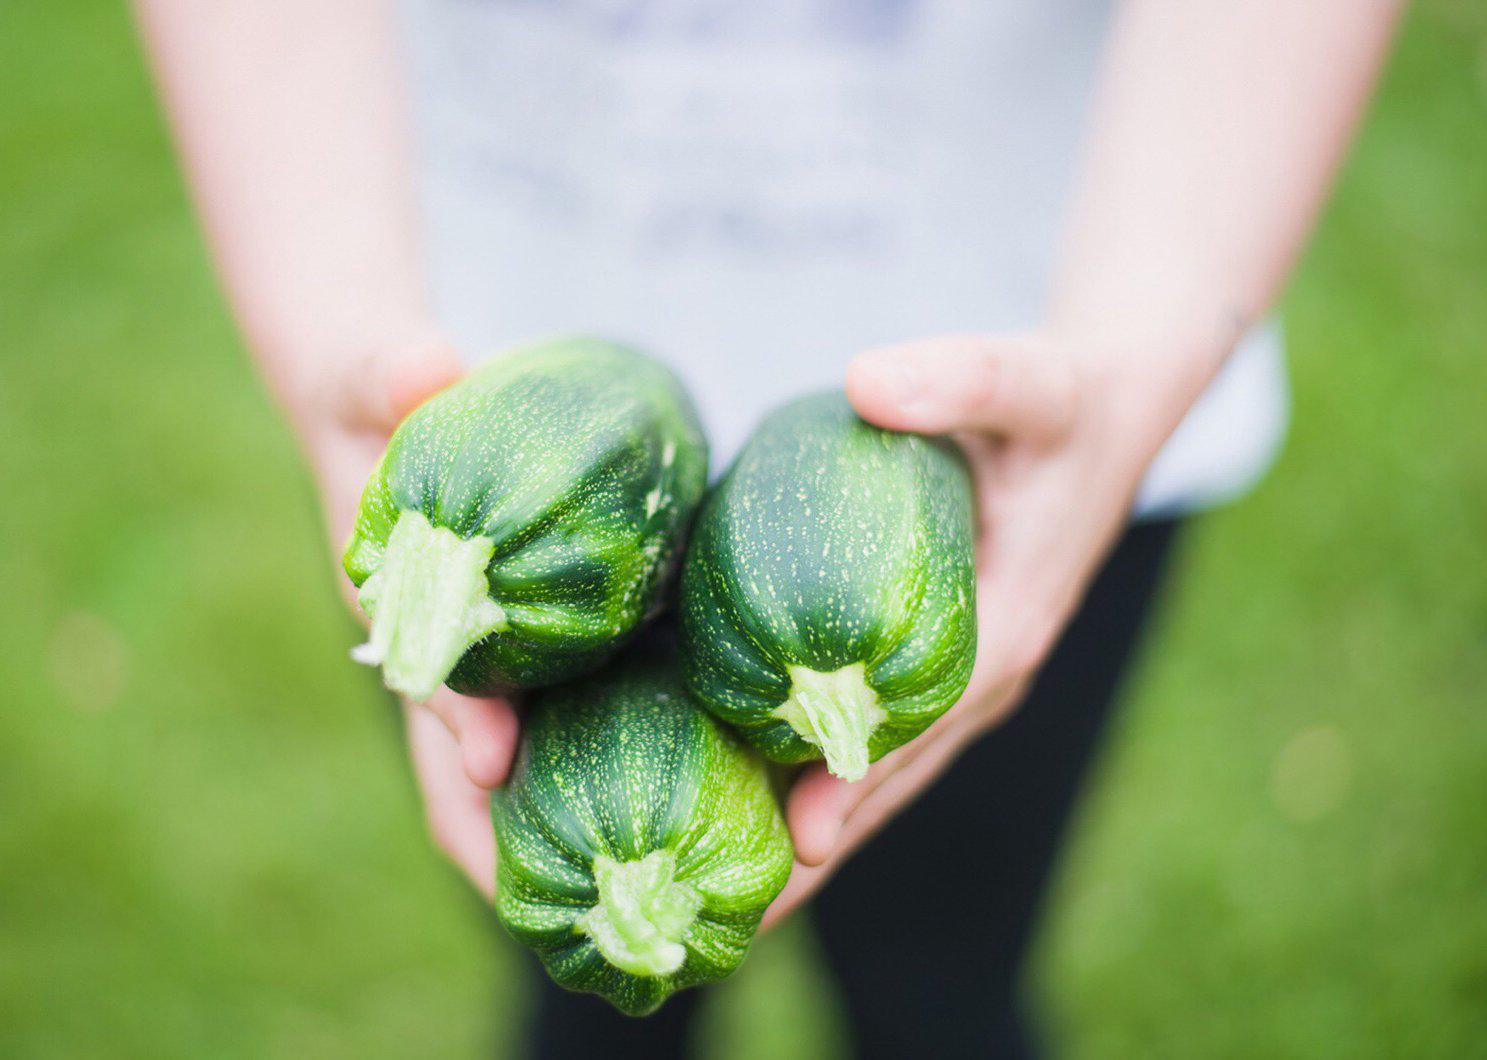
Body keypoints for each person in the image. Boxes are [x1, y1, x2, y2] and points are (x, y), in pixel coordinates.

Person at [134, 1, 1401, 1055]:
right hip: (488, 374)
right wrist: (329, 327)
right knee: (589, 998)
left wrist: (1138, 362)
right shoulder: (452, 511)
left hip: (1048, 376)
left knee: (940, 980)